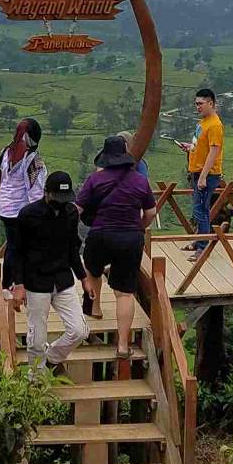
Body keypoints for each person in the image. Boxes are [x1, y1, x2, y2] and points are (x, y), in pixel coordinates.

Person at [77, 135, 158, 364]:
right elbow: (150, 213)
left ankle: (95, 308)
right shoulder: (140, 182)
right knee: (125, 292)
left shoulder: (95, 180)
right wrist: (138, 228)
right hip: (130, 239)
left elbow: (78, 208)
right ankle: (122, 345)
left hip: (100, 235)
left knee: (93, 271)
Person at [9, 171, 88, 378]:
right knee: (36, 337)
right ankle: (35, 378)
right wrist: (18, 284)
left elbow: (73, 248)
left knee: (79, 330)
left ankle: (52, 357)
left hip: (63, 280)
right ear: (46, 193)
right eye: (57, 198)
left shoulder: (71, 213)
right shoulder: (27, 215)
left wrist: (83, 277)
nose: (61, 203)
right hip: (36, 282)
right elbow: (16, 251)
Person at [0, 118, 46, 290]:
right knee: (20, 249)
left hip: (3, 207)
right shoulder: (32, 159)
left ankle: (8, 284)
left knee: (12, 246)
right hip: (21, 210)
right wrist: (39, 215)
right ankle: (14, 285)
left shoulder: (6, 151)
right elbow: (35, 191)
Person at [178, 88, 224, 258]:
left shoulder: (215, 125)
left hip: (207, 174)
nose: (197, 107)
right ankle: (199, 241)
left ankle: (203, 246)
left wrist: (204, 176)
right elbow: (200, 147)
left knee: (201, 210)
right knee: (198, 210)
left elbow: (214, 152)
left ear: (210, 103)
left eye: (200, 104)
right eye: (196, 104)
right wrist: (190, 148)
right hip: (197, 171)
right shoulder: (203, 123)